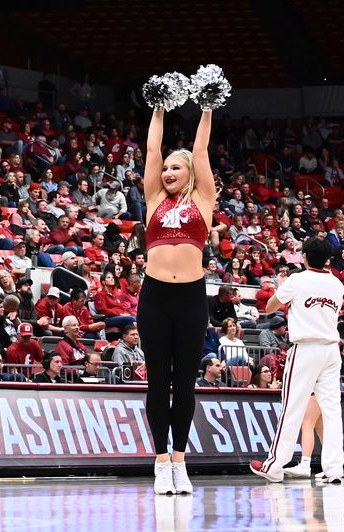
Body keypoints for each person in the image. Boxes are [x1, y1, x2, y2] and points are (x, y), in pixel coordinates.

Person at [136, 103, 214, 495]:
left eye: (175, 168)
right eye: (165, 168)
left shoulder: (203, 200)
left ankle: (180, 460)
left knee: (184, 384)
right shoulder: (153, 199)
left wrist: (207, 108)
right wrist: (160, 109)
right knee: (157, 381)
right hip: (154, 297)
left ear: (191, 174)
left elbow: (201, 151)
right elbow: (151, 150)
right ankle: (160, 459)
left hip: (191, 298)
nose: (167, 172)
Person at [250, 238, 344, 484]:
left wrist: (281, 289)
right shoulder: (337, 284)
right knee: (332, 411)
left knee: (292, 407)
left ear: (304, 258)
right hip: (331, 350)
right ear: (327, 260)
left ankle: (274, 465)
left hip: (306, 348)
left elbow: (270, 308)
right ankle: (334, 469)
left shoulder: (297, 280)